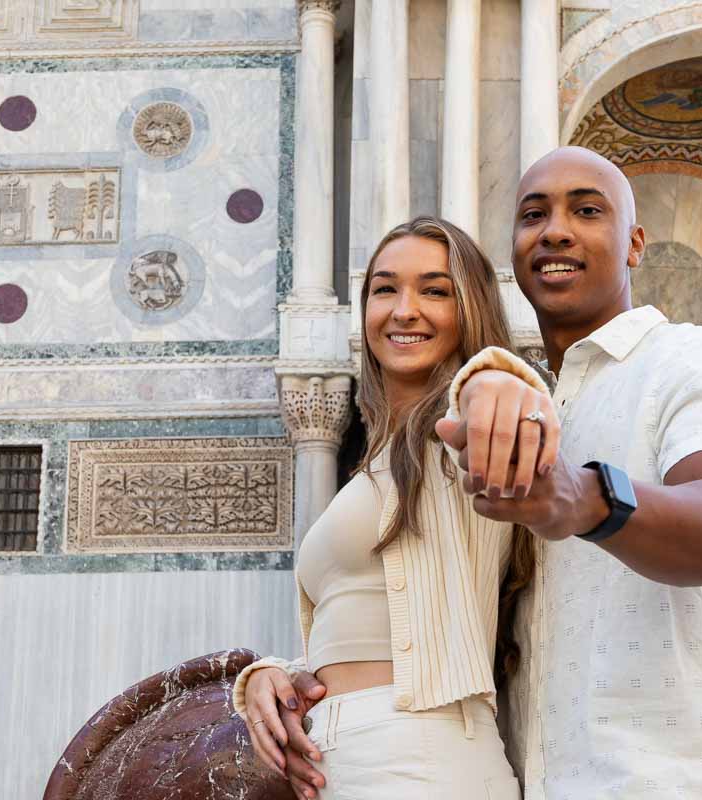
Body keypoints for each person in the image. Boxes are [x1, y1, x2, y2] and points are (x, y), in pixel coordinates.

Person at [256, 146, 702, 799]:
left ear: (635, 243)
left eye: (587, 210)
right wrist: (281, 675)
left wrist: (585, 497)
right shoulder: (543, 401)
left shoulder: (692, 360)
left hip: (675, 780)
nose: (556, 229)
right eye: (533, 214)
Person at [233, 216, 558, 799]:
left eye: (434, 291)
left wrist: (491, 377)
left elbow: (507, 394)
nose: (404, 310)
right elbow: (363, 626)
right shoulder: (377, 460)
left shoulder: (461, 438)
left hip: (419, 754)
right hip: (341, 757)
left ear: (471, 310)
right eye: (385, 289)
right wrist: (275, 676)